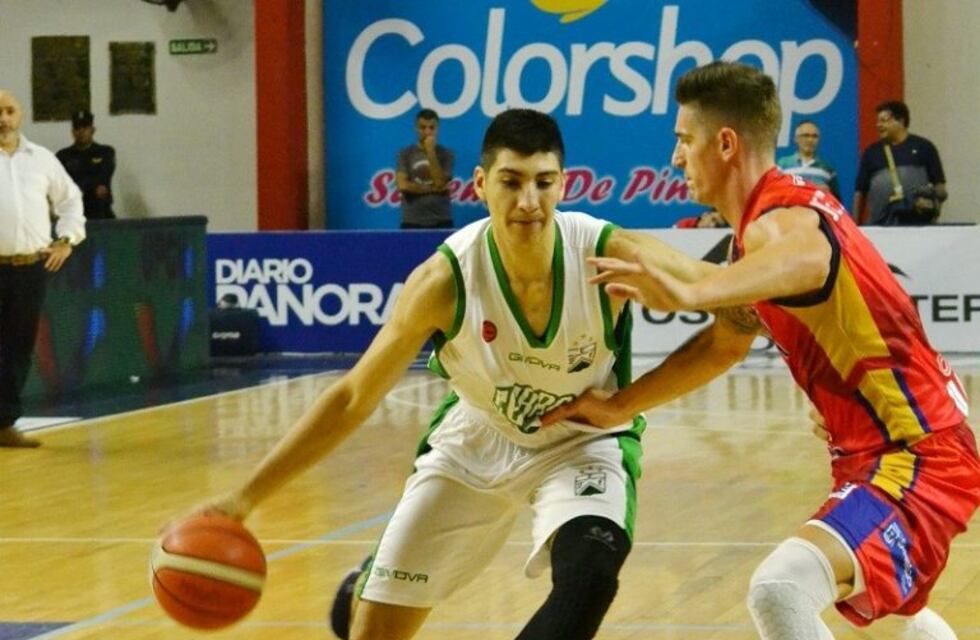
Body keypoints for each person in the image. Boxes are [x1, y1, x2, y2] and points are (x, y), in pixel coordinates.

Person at [178, 108, 735, 640]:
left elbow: (738, 311)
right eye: (511, 182)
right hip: (477, 440)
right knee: (369, 632)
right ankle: (371, 583)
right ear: (480, 184)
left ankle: (377, 579)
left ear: (564, 185)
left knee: (589, 577)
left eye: (543, 182)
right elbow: (352, 397)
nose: (529, 201)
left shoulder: (609, 253)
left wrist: (623, 405)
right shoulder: (444, 281)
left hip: (583, 442)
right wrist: (243, 499)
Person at [542, 62, 980, 640]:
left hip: (918, 456)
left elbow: (808, 257)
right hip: (882, 453)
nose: (676, 158)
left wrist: (690, 291)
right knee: (905, 624)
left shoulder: (783, 217)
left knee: (781, 588)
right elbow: (724, 344)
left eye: (684, 140)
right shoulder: (764, 227)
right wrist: (617, 407)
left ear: (725, 144)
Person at [0, 90, 86, 448]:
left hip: (28, 268)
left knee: (18, 346)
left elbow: (71, 200)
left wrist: (67, 239)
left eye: (9, 111)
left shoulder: (42, 159)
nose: (3, 119)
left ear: (20, 115)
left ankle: (3, 423)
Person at [853, 101, 946, 226]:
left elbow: (940, 188)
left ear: (901, 121)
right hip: (880, 226)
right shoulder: (871, 152)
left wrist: (931, 203)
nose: (878, 125)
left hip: (919, 226)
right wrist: (855, 225)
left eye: (884, 120)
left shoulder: (924, 147)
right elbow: (860, 192)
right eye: (878, 121)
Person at [395, 108, 454, 229]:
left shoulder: (446, 154)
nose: (427, 132)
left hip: (441, 220)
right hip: (412, 220)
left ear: (437, 129)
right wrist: (433, 189)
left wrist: (430, 151)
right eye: (423, 127)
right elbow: (402, 185)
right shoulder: (405, 154)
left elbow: (440, 182)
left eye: (431, 128)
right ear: (416, 128)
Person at [56, 110, 116, 220]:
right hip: (73, 214)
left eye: (85, 128)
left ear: (92, 130)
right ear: (72, 132)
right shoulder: (63, 156)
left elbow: (103, 177)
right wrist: (91, 186)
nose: (81, 132)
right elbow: (62, 184)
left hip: (100, 213)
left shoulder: (105, 152)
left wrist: (81, 185)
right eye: (77, 128)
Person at [776, 120, 841, 201]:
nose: (810, 140)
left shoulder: (828, 168)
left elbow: (836, 200)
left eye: (814, 136)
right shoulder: (782, 165)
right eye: (805, 135)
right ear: (796, 139)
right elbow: (774, 193)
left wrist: (828, 194)